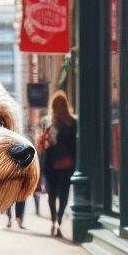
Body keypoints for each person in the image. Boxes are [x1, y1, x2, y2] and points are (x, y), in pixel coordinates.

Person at [42, 91, 77, 238]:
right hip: (66, 165)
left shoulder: (50, 122)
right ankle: (58, 221)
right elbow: (75, 146)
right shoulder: (72, 122)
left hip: (52, 164)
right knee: (63, 195)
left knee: (52, 195)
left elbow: (45, 145)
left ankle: (54, 221)